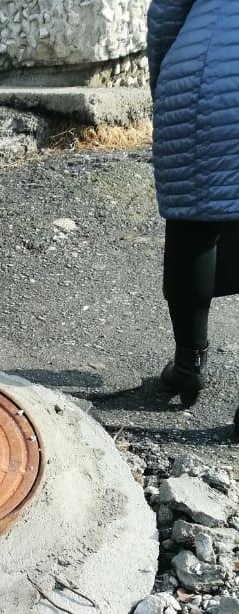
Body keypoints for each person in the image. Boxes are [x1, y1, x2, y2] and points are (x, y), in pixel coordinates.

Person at [148, 0, 239, 419]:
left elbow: (166, 14)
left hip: (202, 77)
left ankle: (189, 362)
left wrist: (168, 86)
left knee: (193, 225)